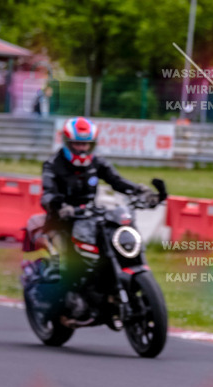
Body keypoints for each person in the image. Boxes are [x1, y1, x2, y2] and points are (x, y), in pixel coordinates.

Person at [37, 116, 154, 319]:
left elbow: (117, 181)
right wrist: (59, 206)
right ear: (67, 143)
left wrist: (139, 190)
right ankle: (60, 302)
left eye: (86, 144)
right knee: (67, 262)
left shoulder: (97, 162)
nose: (82, 149)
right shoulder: (53, 164)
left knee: (111, 241)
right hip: (61, 221)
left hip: (89, 218)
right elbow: (48, 192)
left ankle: (108, 289)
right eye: (77, 144)